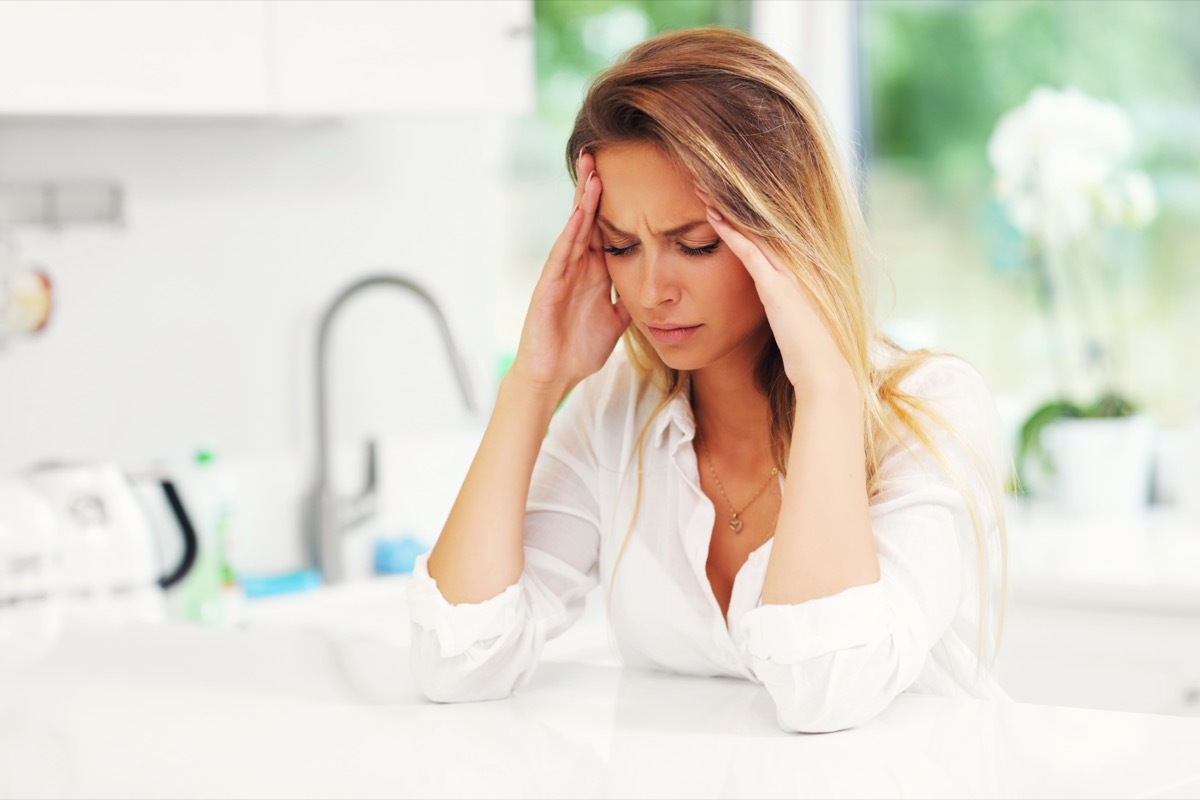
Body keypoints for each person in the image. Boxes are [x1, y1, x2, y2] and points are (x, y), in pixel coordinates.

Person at [407, 27, 1009, 734]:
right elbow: (457, 665)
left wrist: (825, 388)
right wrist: (534, 382)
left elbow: (824, 692)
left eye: (695, 244)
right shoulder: (616, 414)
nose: (652, 289)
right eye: (620, 247)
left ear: (786, 231)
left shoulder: (928, 413)